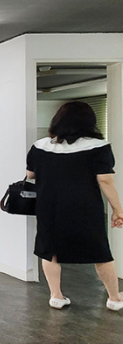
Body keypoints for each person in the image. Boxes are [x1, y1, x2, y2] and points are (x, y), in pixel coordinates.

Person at [26, 100, 123, 311]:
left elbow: (30, 174)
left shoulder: (40, 146)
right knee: (100, 252)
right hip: (84, 208)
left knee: (50, 251)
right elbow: (105, 180)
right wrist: (118, 209)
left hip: (49, 206)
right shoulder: (99, 147)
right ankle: (114, 298)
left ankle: (56, 296)